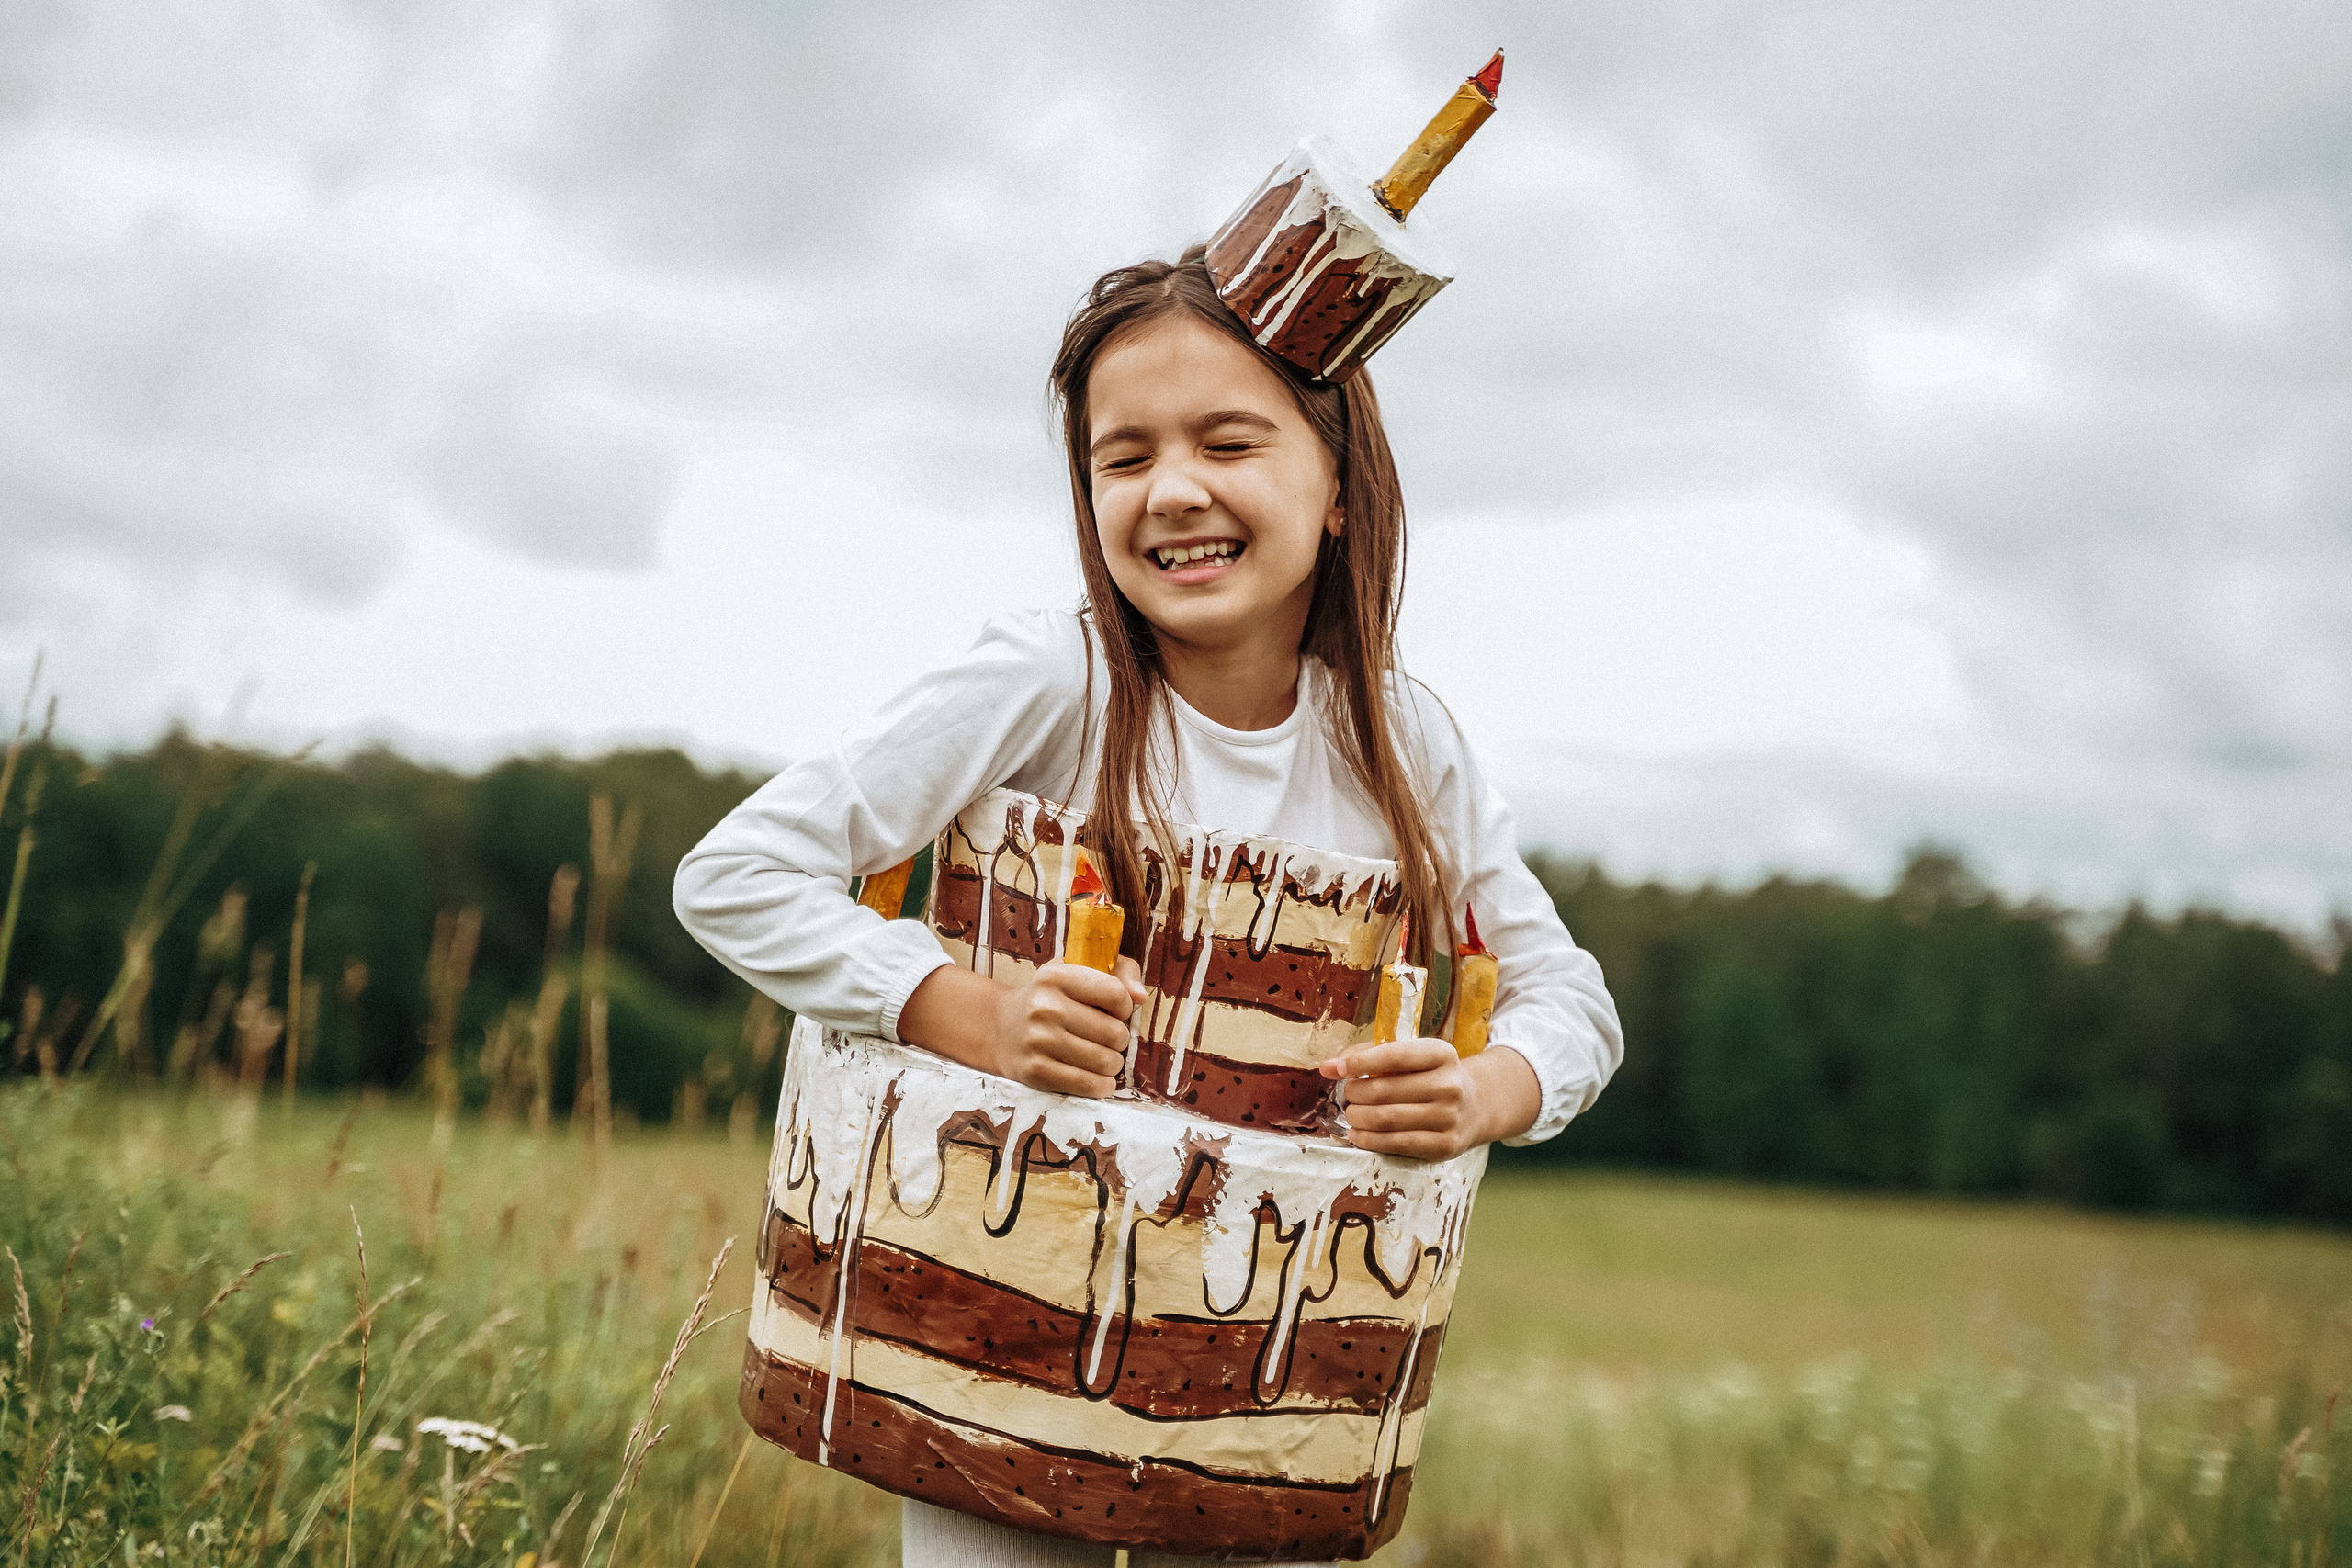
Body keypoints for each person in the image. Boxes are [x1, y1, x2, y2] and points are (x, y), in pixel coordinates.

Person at [674, 248, 1623, 1567]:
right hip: (987, 1362)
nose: (1175, 490)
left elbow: (1567, 1000)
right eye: (1123, 459)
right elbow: (738, 872)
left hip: (1257, 1392)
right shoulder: (1047, 682)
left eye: (1229, 442)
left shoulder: (1404, 748)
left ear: (1339, 485)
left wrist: (1486, 1092)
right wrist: (966, 1011)